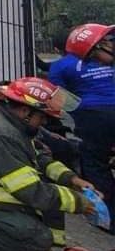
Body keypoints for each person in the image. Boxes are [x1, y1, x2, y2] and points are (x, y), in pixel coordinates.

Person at [0, 77, 98, 251]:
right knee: (36, 236)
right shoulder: (2, 135)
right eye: (43, 117)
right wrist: (80, 202)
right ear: (26, 112)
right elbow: (29, 191)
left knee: (53, 201)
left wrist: (72, 180)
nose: (45, 122)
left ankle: (52, 246)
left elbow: (37, 156)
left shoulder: (10, 121)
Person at [49, 23, 115, 234]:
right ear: (92, 48)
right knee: (96, 163)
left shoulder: (61, 67)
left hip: (93, 118)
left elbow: (57, 101)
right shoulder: (66, 66)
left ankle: (110, 219)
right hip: (96, 116)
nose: (112, 45)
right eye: (106, 42)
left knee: (96, 165)